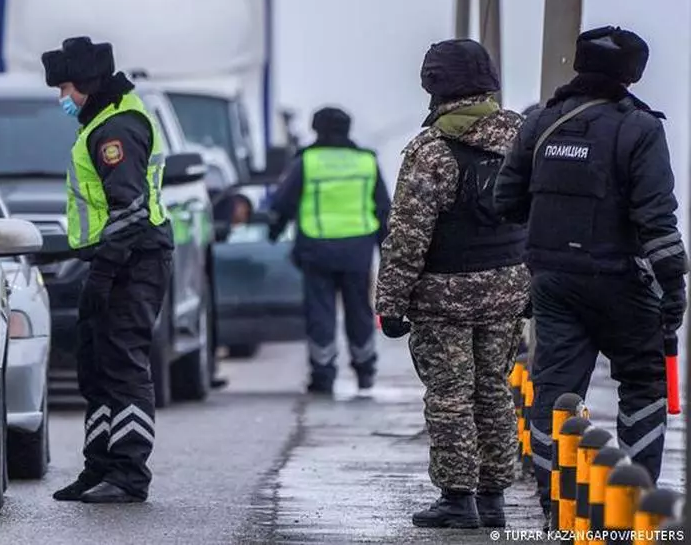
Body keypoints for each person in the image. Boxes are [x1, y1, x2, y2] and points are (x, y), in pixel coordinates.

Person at [493, 26, 687, 522]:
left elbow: (505, 201)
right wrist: (674, 288)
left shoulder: (541, 122)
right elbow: (656, 219)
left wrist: (553, 236)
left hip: (554, 282)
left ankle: (556, 502)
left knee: (555, 392)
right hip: (622, 282)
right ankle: (634, 502)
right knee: (643, 383)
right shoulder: (640, 128)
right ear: (633, 73)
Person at [376, 38, 529, 529]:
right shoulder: (522, 138)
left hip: (444, 296)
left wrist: (392, 302)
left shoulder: (431, 149)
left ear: (434, 85)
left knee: (449, 396)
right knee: (495, 390)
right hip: (507, 288)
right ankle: (495, 498)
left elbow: (408, 236)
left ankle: (458, 498)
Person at [42, 36, 175, 504]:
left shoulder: (116, 129)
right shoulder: (100, 121)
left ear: (86, 84)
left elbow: (131, 211)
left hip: (133, 263)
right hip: (112, 261)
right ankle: (98, 467)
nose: (62, 98)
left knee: (123, 367)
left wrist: (102, 275)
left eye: (65, 88)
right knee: (95, 369)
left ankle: (129, 474)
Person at [266, 106, 391, 396]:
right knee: (359, 310)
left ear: (316, 128)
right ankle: (365, 371)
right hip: (358, 250)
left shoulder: (307, 161)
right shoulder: (366, 161)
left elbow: (284, 202)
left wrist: (273, 231)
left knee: (320, 312)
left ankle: (323, 375)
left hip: (317, 248)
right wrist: (387, 250)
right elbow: (384, 209)